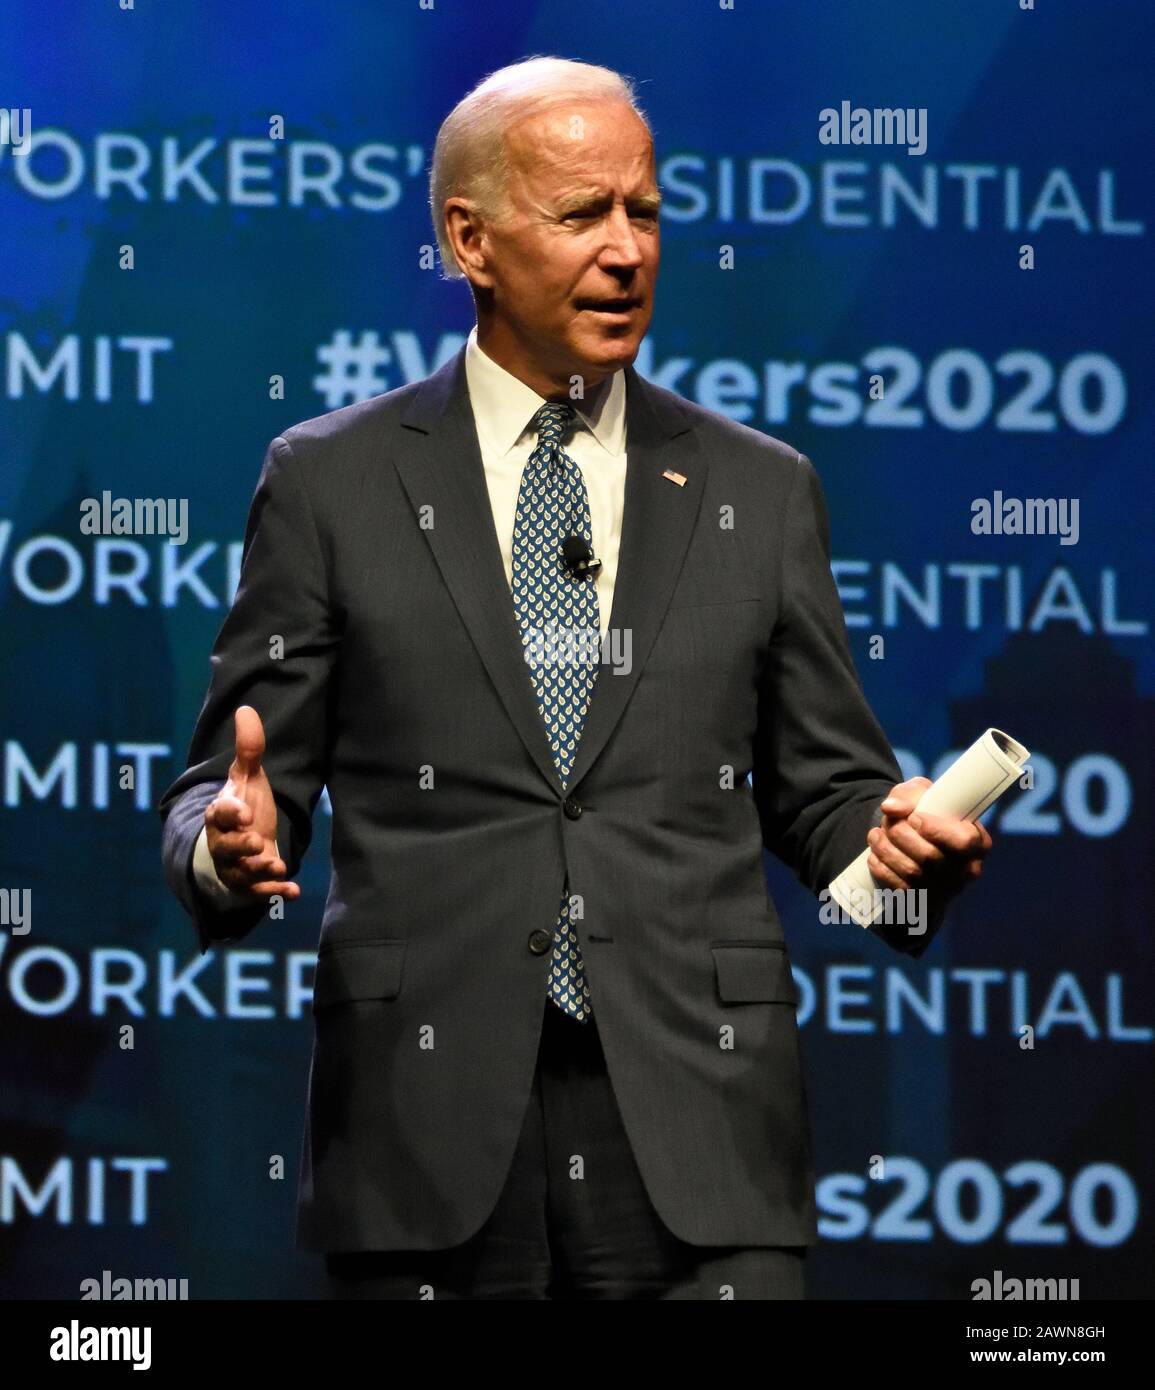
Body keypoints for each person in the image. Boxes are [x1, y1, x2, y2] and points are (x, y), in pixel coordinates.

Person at [158, 56, 991, 1300]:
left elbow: (829, 804)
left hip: (702, 1134)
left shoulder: (756, 490)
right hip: (425, 1137)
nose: (626, 251)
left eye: (644, 212)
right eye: (581, 214)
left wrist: (907, 857)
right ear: (470, 240)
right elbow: (218, 790)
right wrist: (226, 848)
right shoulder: (330, 481)